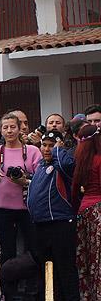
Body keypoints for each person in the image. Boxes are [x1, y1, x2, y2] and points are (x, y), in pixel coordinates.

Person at [0, 112, 42, 296]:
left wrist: (25, 180)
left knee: (34, 251)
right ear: (0, 131)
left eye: (13, 126)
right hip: (2, 209)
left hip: (28, 209)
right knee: (7, 253)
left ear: (20, 129)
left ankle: (33, 292)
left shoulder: (33, 151)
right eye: (5, 127)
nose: (9, 130)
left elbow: (42, 179)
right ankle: (8, 294)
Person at [26, 130, 80, 301]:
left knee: (65, 270)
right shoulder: (41, 166)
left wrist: (59, 149)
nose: (47, 149)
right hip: (41, 226)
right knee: (47, 270)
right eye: (44, 145)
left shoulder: (62, 165)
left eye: (51, 145)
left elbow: (68, 165)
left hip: (60, 224)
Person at [71, 120, 101, 300]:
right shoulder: (99, 160)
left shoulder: (80, 161)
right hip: (98, 212)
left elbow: (74, 192)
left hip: (84, 212)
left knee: (86, 257)